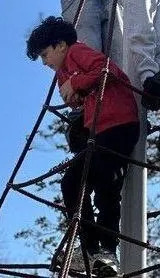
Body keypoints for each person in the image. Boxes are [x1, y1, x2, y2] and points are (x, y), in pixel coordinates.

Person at [26, 16, 140, 277]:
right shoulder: (62, 73)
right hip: (98, 131)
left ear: (61, 45)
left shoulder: (76, 52)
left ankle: (108, 251)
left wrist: (75, 84)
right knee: (71, 184)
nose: (45, 63)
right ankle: (90, 248)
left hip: (118, 124)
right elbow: (79, 96)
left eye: (45, 55)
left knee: (106, 187)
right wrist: (75, 96)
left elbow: (106, 69)